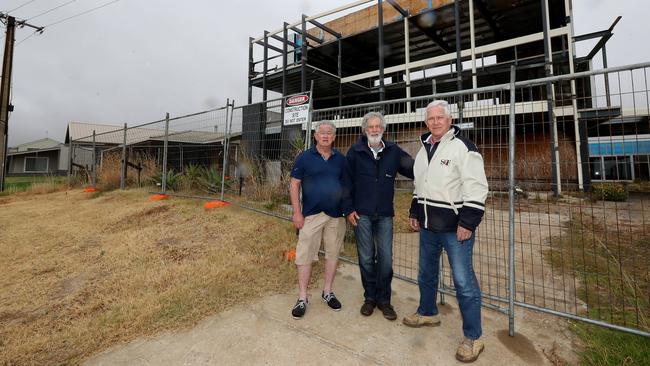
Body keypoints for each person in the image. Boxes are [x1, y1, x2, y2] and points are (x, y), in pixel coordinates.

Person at [404, 100, 489, 363]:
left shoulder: (464, 148)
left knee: (463, 282)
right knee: (426, 273)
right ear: (426, 122)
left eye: (440, 117)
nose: (436, 122)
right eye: (431, 118)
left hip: (455, 229)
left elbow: (476, 188)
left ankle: (473, 337)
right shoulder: (423, 150)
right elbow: (421, 186)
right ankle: (427, 312)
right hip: (429, 227)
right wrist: (415, 212)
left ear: (450, 120)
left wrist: (468, 222)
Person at [342, 112, 413, 321]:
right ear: (365, 130)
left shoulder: (393, 151)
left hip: (384, 215)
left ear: (383, 129)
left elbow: (414, 168)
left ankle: (384, 300)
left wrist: (433, 165)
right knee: (365, 258)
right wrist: (348, 209)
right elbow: (346, 183)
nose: (374, 129)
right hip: (361, 214)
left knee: (385, 260)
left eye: (378, 126)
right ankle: (370, 298)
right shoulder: (355, 152)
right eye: (370, 126)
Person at [289, 120, 347, 319]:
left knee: (333, 253)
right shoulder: (304, 158)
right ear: (315, 136)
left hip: (335, 216)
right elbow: (294, 185)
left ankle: (327, 292)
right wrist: (297, 213)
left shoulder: (341, 159)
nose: (325, 135)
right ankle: (303, 297)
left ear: (334, 137)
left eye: (329, 133)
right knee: (304, 256)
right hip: (311, 216)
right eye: (321, 132)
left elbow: (347, 186)